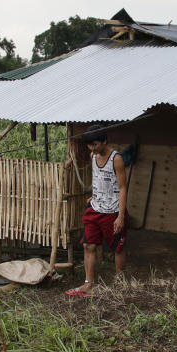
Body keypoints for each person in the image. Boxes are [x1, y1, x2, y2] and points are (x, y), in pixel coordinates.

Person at [65, 124, 128, 296]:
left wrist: (120, 216)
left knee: (117, 247)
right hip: (95, 208)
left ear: (104, 141)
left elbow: (122, 188)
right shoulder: (93, 156)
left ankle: (120, 282)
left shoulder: (117, 159)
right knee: (88, 245)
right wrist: (96, 194)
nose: (92, 148)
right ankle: (88, 284)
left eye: (95, 144)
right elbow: (100, 178)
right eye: (90, 145)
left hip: (113, 211)